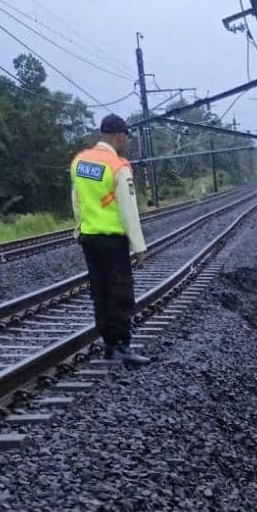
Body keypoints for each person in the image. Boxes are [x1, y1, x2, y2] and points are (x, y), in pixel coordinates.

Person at [70, 114, 150, 366]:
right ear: (118, 136)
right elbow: (128, 210)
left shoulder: (80, 162)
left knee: (101, 291)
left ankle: (108, 343)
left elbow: (77, 199)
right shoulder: (118, 166)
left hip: (89, 237)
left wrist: (80, 227)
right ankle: (121, 346)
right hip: (112, 240)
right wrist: (139, 247)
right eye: (124, 137)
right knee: (120, 291)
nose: (125, 142)